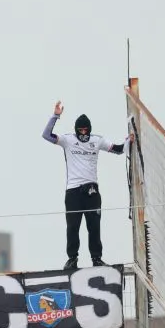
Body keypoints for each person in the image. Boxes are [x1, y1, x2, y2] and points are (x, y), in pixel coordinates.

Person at [42, 100, 132, 270]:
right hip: (73, 191)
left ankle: (97, 258)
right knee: (73, 227)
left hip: (92, 191)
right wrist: (56, 115)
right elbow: (46, 135)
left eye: (86, 130)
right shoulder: (67, 139)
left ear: (89, 130)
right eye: (80, 130)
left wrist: (128, 140)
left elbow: (119, 150)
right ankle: (72, 259)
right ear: (76, 130)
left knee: (94, 226)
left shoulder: (97, 140)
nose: (83, 132)